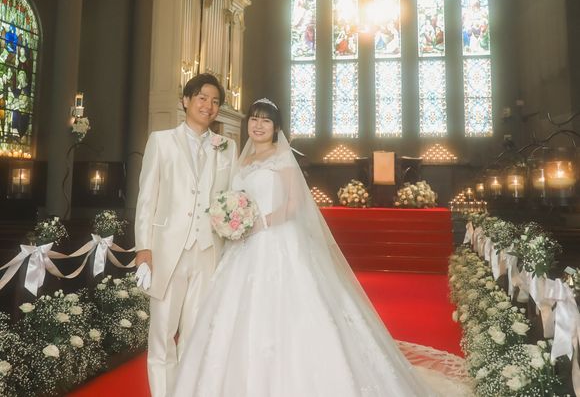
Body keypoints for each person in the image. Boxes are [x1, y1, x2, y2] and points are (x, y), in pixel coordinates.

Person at [171, 99, 471, 397]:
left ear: (276, 128)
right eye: (254, 119)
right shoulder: (242, 160)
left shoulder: (281, 157)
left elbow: (293, 204)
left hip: (277, 239)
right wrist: (232, 221)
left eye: (265, 120)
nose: (258, 125)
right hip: (243, 247)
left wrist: (260, 222)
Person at [134, 73, 238, 397]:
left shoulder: (228, 147)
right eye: (202, 98)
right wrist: (143, 249)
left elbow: (232, 198)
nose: (209, 106)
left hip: (209, 251)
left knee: (195, 336)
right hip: (167, 251)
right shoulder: (161, 141)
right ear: (186, 101)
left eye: (215, 101)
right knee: (162, 335)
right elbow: (147, 199)